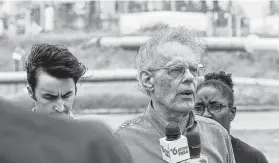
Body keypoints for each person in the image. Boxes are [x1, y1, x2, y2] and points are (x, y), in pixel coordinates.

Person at [114, 27, 235, 163]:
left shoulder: (217, 135)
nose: (189, 77)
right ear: (148, 80)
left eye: (194, 70)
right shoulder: (122, 141)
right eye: (176, 70)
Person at [0, 104, 133, 163]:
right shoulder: (95, 145)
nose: (60, 106)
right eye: (48, 96)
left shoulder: (95, 146)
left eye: (66, 95)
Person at [194, 71, 269, 163]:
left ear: (232, 113)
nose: (206, 114)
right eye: (198, 108)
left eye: (216, 107)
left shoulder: (253, 158)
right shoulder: (181, 152)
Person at [25, 44, 87, 119]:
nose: (60, 108)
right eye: (49, 97)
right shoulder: (15, 130)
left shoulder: (85, 130)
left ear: (75, 90)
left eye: (67, 96)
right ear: (31, 92)